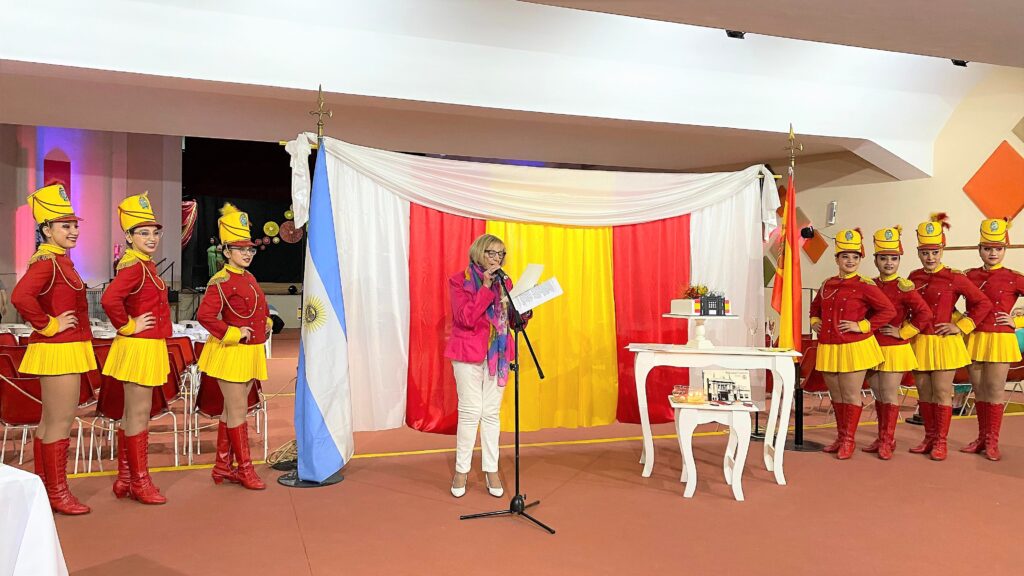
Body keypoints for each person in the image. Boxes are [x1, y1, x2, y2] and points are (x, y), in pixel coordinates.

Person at [11, 184, 96, 515]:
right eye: (64, 225)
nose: (73, 230)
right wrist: (48, 324)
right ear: (47, 230)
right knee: (60, 422)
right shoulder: (48, 262)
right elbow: (20, 297)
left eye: (74, 225)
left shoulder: (60, 261)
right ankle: (58, 493)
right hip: (58, 348)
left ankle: (45, 489)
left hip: (63, 347)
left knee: (50, 422)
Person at [444, 233, 530, 497]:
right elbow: (465, 318)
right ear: (478, 253)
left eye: (501, 254)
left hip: (498, 354)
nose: (497, 258)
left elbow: (514, 322)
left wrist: (525, 309)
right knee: (470, 412)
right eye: (491, 253)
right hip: (467, 353)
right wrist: (485, 287)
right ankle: (461, 470)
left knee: (491, 413)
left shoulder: (506, 282)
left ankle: (491, 469)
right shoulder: (460, 281)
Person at [100, 192, 172, 504]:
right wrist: (128, 325)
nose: (151, 238)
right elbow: (109, 299)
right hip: (139, 346)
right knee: (139, 415)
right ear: (129, 237)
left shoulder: (144, 265)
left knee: (132, 415)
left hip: (144, 345)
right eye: (143, 233)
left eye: (154, 232)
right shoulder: (134, 267)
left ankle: (126, 479)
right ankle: (140, 482)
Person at [196, 203, 270, 490]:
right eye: (240, 249)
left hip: (249, 351)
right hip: (231, 353)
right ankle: (244, 470)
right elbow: (205, 316)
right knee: (238, 412)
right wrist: (232, 333)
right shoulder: (221, 280)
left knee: (232, 411)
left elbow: (256, 308)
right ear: (226, 252)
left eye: (249, 249)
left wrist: (266, 322)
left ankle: (222, 466)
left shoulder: (248, 277)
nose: (247, 254)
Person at [908, 214, 992, 461]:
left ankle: (941, 442)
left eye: (935, 252)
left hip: (945, 342)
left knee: (942, 392)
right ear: (919, 253)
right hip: (920, 341)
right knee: (924, 393)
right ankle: (929, 437)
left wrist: (962, 326)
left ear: (942, 251)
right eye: (925, 253)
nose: (930, 257)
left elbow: (983, 303)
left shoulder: (954, 277)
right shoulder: (913, 277)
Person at [809, 228, 895, 459]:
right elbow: (815, 308)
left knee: (850, 395)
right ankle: (841, 437)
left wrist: (863, 325)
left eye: (855, 257)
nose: (850, 261)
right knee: (836, 395)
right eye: (845, 256)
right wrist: (815, 321)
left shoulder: (865, 285)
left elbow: (888, 310)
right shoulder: (827, 284)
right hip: (828, 346)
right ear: (836, 259)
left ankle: (849, 440)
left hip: (854, 347)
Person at [864, 226, 932, 460]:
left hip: (894, 348)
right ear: (876, 260)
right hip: (871, 346)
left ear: (899, 260)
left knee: (889, 394)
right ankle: (882, 436)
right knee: (878, 394)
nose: (889, 263)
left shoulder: (905, 287)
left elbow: (925, 313)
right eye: (884, 258)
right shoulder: (869, 284)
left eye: (894, 258)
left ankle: (887, 440)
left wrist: (903, 332)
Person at [962, 218, 1023, 461]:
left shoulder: (1013, 277)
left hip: (1000, 339)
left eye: (998, 248)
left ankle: (992, 442)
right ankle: (981, 437)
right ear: (980, 249)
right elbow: (945, 301)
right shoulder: (968, 276)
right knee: (979, 390)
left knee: (995, 390)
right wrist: (960, 321)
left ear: (1005, 250)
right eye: (987, 248)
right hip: (975, 337)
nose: (993, 253)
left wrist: (1019, 322)